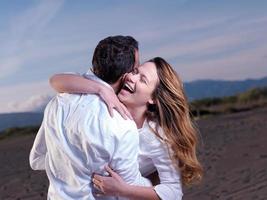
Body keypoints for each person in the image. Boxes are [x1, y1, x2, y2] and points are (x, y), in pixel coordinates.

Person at [50, 57, 203, 199]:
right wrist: (101, 89)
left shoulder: (157, 137)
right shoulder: (108, 95)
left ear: (153, 98)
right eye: (135, 71)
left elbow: (174, 192)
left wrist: (122, 190)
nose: (131, 77)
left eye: (142, 80)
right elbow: (56, 81)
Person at [29, 35, 151, 200]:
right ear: (126, 75)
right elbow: (129, 186)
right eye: (135, 69)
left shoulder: (60, 99)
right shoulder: (121, 122)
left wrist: (69, 165)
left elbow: (37, 158)